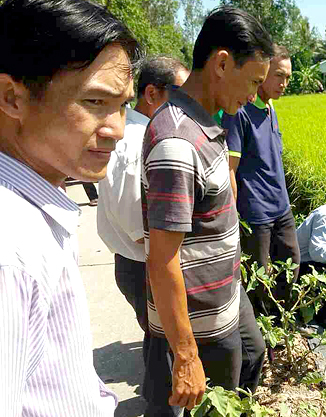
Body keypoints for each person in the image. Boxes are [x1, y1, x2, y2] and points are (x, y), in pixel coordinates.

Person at [0, 1, 142, 416]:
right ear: (12, 97)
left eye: (122, 105)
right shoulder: (11, 247)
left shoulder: (37, 208)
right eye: (95, 101)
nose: (117, 128)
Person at [141, 7, 274, 416]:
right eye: (253, 80)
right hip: (201, 326)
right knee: (210, 405)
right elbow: (162, 259)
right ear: (221, 63)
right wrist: (186, 355)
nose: (254, 95)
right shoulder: (178, 144)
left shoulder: (206, 123)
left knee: (252, 356)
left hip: (224, 300)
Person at [97, 56, 190, 333]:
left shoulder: (148, 132)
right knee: (163, 347)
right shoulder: (135, 141)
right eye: (180, 95)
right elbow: (136, 226)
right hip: (143, 266)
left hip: (145, 263)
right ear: (151, 94)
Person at [222, 45, 299, 316]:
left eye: (288, 77)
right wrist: (232, 215)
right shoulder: (239, 111)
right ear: (263, 71)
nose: (284, 83)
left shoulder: (270, 109)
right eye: (279, 75)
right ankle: (264, 335)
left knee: (291, 266)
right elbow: (230, 168)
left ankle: (283, 324)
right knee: (260, 279)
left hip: (282, 207)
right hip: (256, 214)